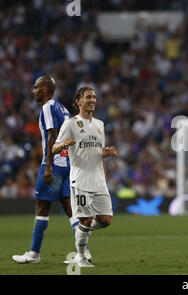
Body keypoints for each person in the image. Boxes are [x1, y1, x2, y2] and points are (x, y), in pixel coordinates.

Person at [12, 75, 87, 264]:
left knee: (41, 208)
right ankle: (84, 253)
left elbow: (51, 134)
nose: (33, 91)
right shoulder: (63, 109)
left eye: (36, 87)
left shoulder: (47, 107)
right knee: (70, 210)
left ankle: (34, 254)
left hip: (54, 165)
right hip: (67, 164)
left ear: (45, 90)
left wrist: (48, 165)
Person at [52, 87, 117, 267]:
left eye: (94, 97)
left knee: (105, 220)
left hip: (99, 179)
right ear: (78, 101)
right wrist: (63, 144)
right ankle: (80, 257)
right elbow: (53, 149)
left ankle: (82, 231)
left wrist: (107, 152)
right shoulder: (71, 124)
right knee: (86, 219)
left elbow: (95, 152)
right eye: (88, 97)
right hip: (80, 180)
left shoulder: (99, 124)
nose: (92, 100)